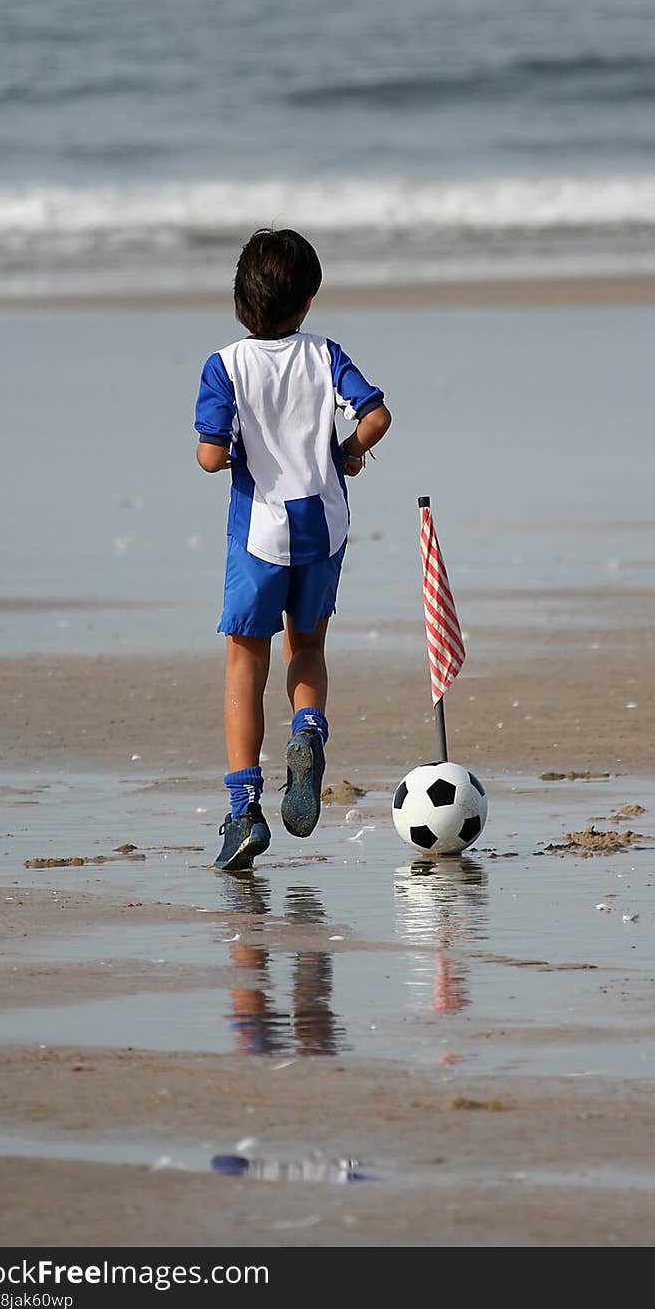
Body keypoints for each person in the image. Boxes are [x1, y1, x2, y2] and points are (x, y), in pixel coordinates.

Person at [194, 228, 392, 872]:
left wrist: (224, 449)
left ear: (239, 302)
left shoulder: (225, 365)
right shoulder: (324, 354)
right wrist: (350, 452)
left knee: (243, 660)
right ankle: (307, 734)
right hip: (324, 525)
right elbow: (375, 414)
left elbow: (210, 455)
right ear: (307, 303)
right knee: (306, 646)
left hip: (260, 533)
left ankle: (244, 808)